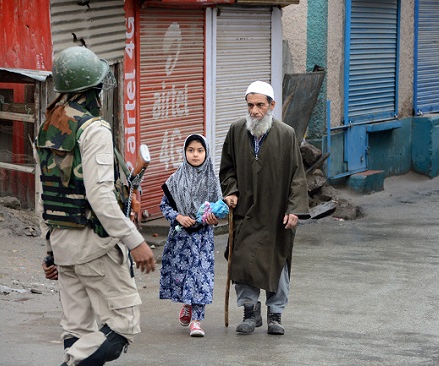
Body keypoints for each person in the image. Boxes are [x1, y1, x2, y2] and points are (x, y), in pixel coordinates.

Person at [36, 46, 156, 366]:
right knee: (122, 326)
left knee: (78, 328)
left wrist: (51, 249)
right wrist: (136, 242)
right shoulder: (93, 129)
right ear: (92, 90)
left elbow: (47, 194)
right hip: (94, 245)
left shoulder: (50, 124)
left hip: (63, 243)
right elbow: (100, 198)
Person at [219, 80, 310, 335]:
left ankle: (275, 315)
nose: (254, 111)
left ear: (272, 105)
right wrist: (232, 191)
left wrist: (294, 209)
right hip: (245, 211)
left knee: (276, 261)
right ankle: (250, 312)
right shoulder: (236, 131)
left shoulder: (286, 134)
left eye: (260, 105)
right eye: (250, 105)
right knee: (243, 262)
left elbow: (297, 176)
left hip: (276, 212)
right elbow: (227, 170)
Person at [159, 134, 224, 337]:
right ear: (184, 152)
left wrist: (213, 218)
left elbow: (219, 208)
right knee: (184, 275)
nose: (195, 155)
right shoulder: (176, 179)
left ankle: (196, 320)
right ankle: (187, 304)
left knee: (200, 277)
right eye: (191, 150)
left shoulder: (212, 181)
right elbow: (164, 205)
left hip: (202, 238)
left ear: (206, 153)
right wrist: (178, 216)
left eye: (200, 150)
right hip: (180, 238)